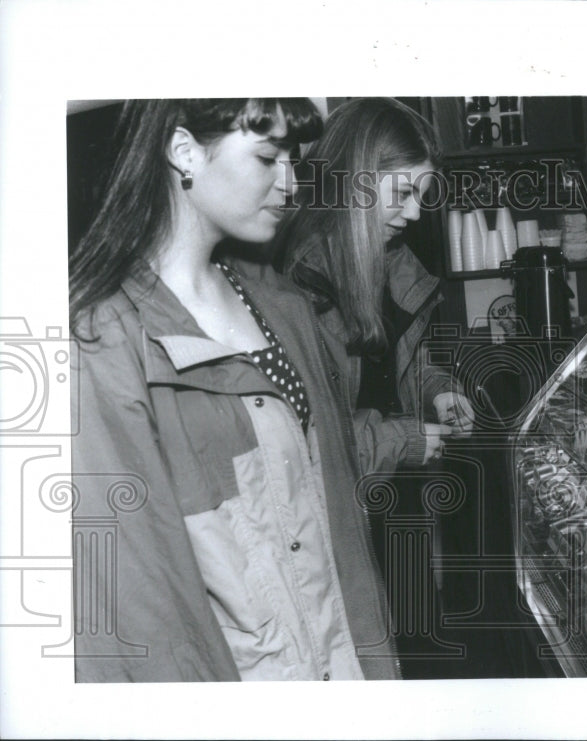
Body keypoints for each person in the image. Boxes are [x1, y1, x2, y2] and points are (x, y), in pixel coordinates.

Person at [69, 98, 398, 682]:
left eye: (293, 159)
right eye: (269, 157)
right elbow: (132, 601)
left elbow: (335, 523)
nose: (291, 183)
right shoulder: (103, 338)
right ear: (183, 151)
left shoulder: (284, 309)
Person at [274, 97, 474, 475]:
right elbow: (305, 446)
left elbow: (398, 363)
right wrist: (400, 441)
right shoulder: (294, 283)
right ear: (354, 182)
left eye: (421, 197)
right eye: (403, 194)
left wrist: (440, 391)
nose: (415, 213)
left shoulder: (394, 264)